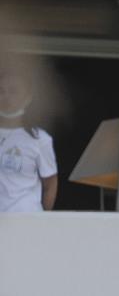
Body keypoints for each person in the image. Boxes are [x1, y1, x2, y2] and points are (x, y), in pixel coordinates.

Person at [0, 69, 57, 212]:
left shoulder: (39, 139)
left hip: (26, 220)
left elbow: (50, 184)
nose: (6, 97)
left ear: (27, 97)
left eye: (13, 91)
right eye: (1, 91)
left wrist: (40, 219)